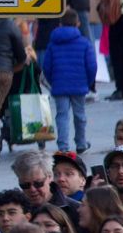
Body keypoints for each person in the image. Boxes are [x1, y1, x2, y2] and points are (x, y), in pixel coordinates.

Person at [39, 8, 98, 154]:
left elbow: (46, 66)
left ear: (60, 24)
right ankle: (81, 142)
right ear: (77, 23)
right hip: (79, 85)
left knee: (62, 115)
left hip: (59, 86)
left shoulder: (53, 43)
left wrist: (54, 81)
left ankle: (63, 146)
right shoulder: (84, 43)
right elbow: (92, 66)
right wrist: (88, 82)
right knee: (80, 115)